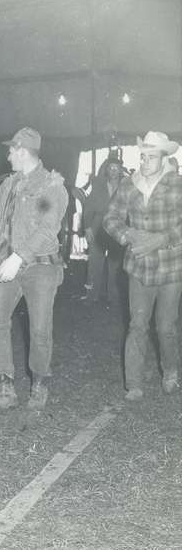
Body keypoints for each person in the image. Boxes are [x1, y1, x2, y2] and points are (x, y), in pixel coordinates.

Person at [0, 127, 68, 409]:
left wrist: (18, 258)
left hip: (40, 267)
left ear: (23, 151)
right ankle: (5, 386)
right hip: (4, 262)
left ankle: (39, 383)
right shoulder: (8, 183)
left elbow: (48, 230)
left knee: (39, 328)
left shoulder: (52, 186)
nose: (8, 155)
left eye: (11, 150)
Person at [103, 132, 182, 400]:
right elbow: (110, 218)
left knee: (165, 327)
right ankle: (134, 384)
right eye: (143, 156)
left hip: (171, 267)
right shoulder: (129, 185)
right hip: (138, 266)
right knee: (137, 324)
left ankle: (170, 372)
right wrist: (126, 235)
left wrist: (163, 238)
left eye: (151, 156)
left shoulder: (177, 185)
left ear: (164, 158)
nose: (146, 161)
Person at [81, 156, 125, 305]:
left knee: (116, 264)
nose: (113, 171)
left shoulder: (126, 187)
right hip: (97, 227)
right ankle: (91, 295)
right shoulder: (98, 186)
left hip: (117, 230)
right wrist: (87, 227)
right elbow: (88, 207)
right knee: (94, 262)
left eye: (116, 168)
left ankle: (114, 297)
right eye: (110, 168)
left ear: (120, 170)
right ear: (107, 170)